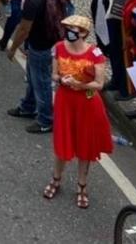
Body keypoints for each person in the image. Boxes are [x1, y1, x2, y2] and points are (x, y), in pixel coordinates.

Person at [42, 15, 112, 209]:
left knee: (84, 145)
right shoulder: (59, 47)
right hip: (66, 101)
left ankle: (82, 186)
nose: (69, 32)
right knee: (62, 141)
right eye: (68, 28)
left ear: (83, 33)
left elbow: (99, 83)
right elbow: (54, 74)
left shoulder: (95, 53)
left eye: (74, 29)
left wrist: (80, 84)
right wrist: (61, 80)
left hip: (86, 102)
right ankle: (56, 179)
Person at [7, 0, 60, 133]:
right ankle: (28, 106)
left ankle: (46, 119)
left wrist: (13, 47)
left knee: (41, 82)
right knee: (32, 77)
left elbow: (24, 29)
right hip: (48, 42)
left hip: (39, 46)